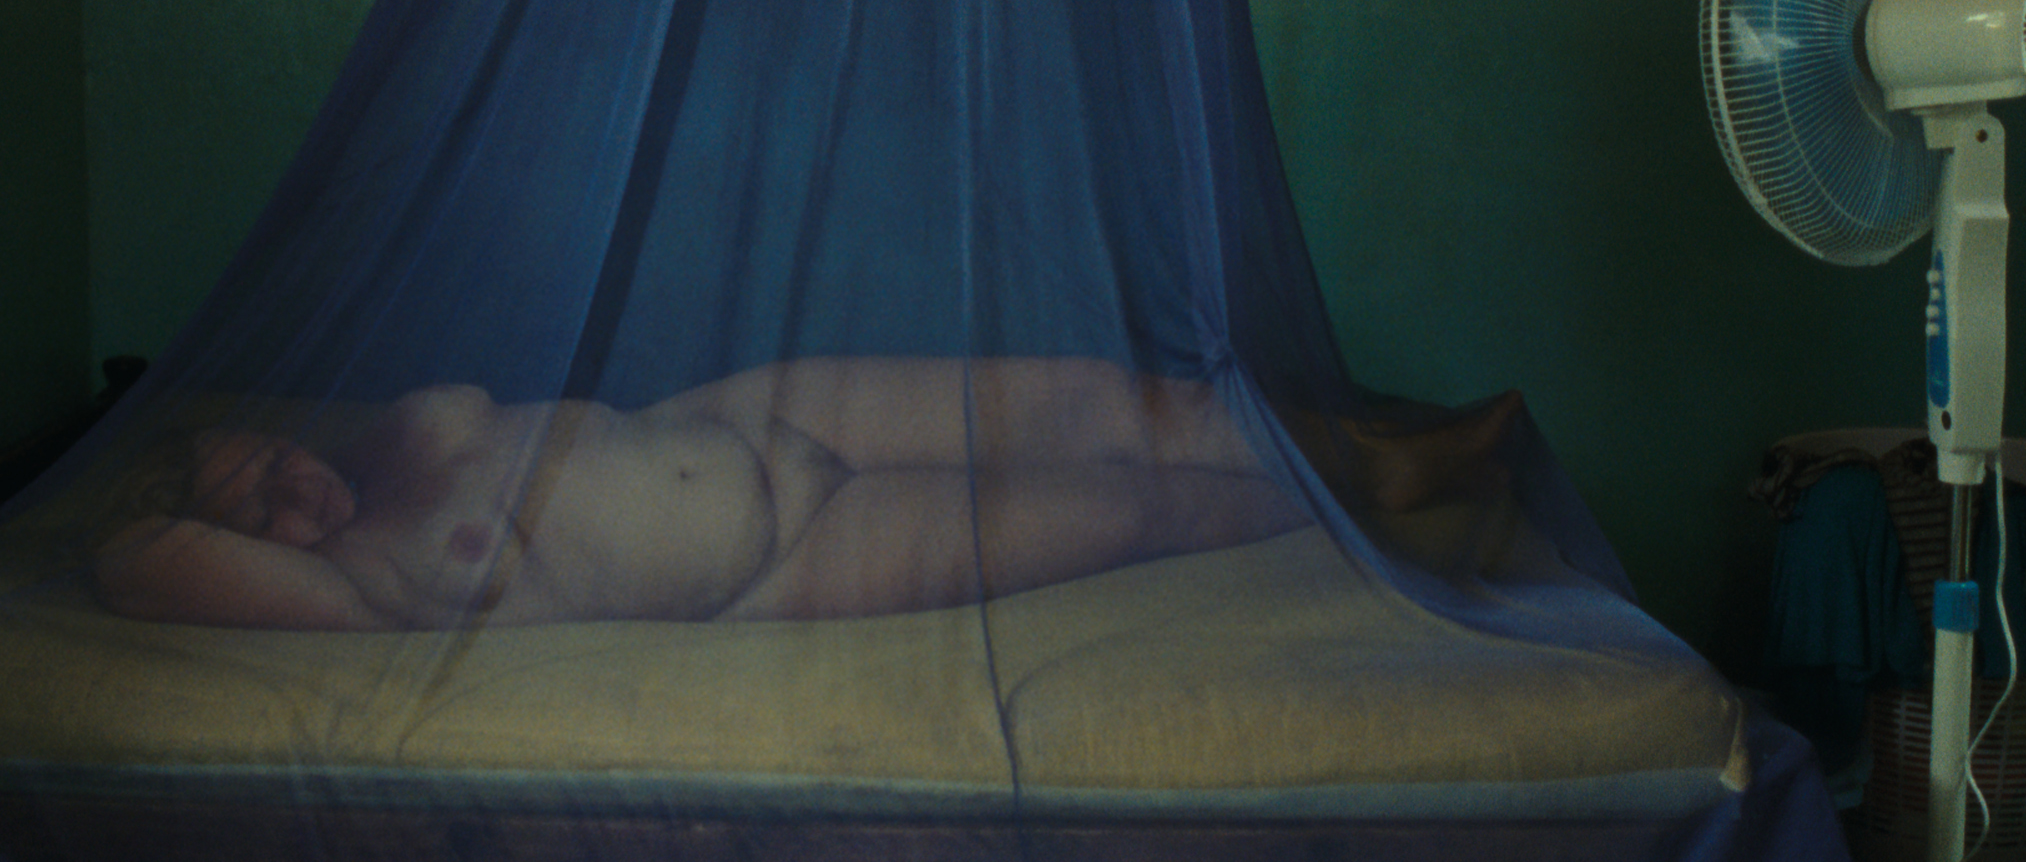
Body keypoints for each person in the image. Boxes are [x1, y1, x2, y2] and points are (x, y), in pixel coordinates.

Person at [92, 357, 1315, 630]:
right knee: (1128, 513)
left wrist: (239, 459)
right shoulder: (355, 588)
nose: (291, 488)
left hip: (746, 411)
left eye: (273, 458)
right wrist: (179, 488)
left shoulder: (392, 439)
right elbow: (131, 557)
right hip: (781, 558)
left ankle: (1347, 455)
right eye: (255, 509)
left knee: (1096, 398)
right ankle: (1335, 513)